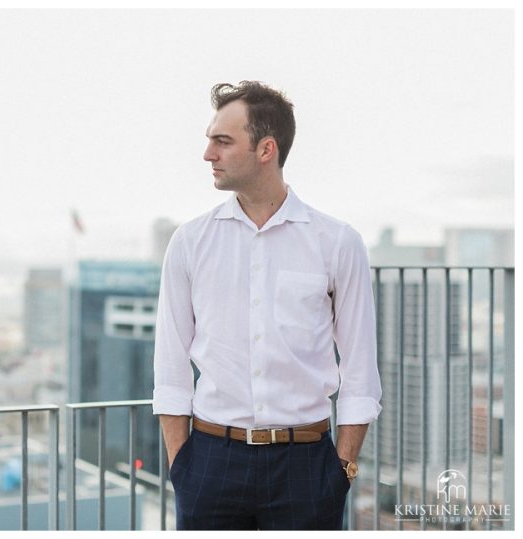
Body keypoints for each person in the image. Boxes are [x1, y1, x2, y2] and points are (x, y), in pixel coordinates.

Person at [152, 81, 382, 530]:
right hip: (210, 463)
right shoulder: (190, 242)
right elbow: (171, 365)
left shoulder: (337, 243)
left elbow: (360, 371)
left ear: (265, 149)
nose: (208, 155)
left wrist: (343, 470)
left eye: (222, 141)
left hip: (306, 467)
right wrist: (182, 466)